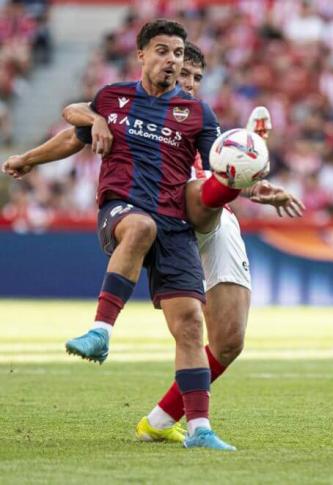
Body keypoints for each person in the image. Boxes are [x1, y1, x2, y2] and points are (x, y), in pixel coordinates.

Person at [2, 41, 304, 446]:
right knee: (173, 225)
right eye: (183, 74)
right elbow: (76, 133)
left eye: (196, 77)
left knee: (229, 341)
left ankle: (162, 419)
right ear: (157, 64)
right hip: (169, 214)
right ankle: (109, 336)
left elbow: (227, 171)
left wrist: (257, 186)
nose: (189, 83)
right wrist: (30, 157)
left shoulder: (198, 121)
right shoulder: (133, 104)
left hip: (206, 220)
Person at [61, 18, 237, 451]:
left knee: (192, 326)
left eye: (178, 53)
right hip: (121, 209)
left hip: (176, 224)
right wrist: (94, 120)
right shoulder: (113, 97)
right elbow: (72, 118)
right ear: (141, 54)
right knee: (140, 225)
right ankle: (101, 330)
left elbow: (213, 170)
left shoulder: (198, 113)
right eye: (162, 51)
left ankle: (198, 429)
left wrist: (246, 183)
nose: (172, 61)